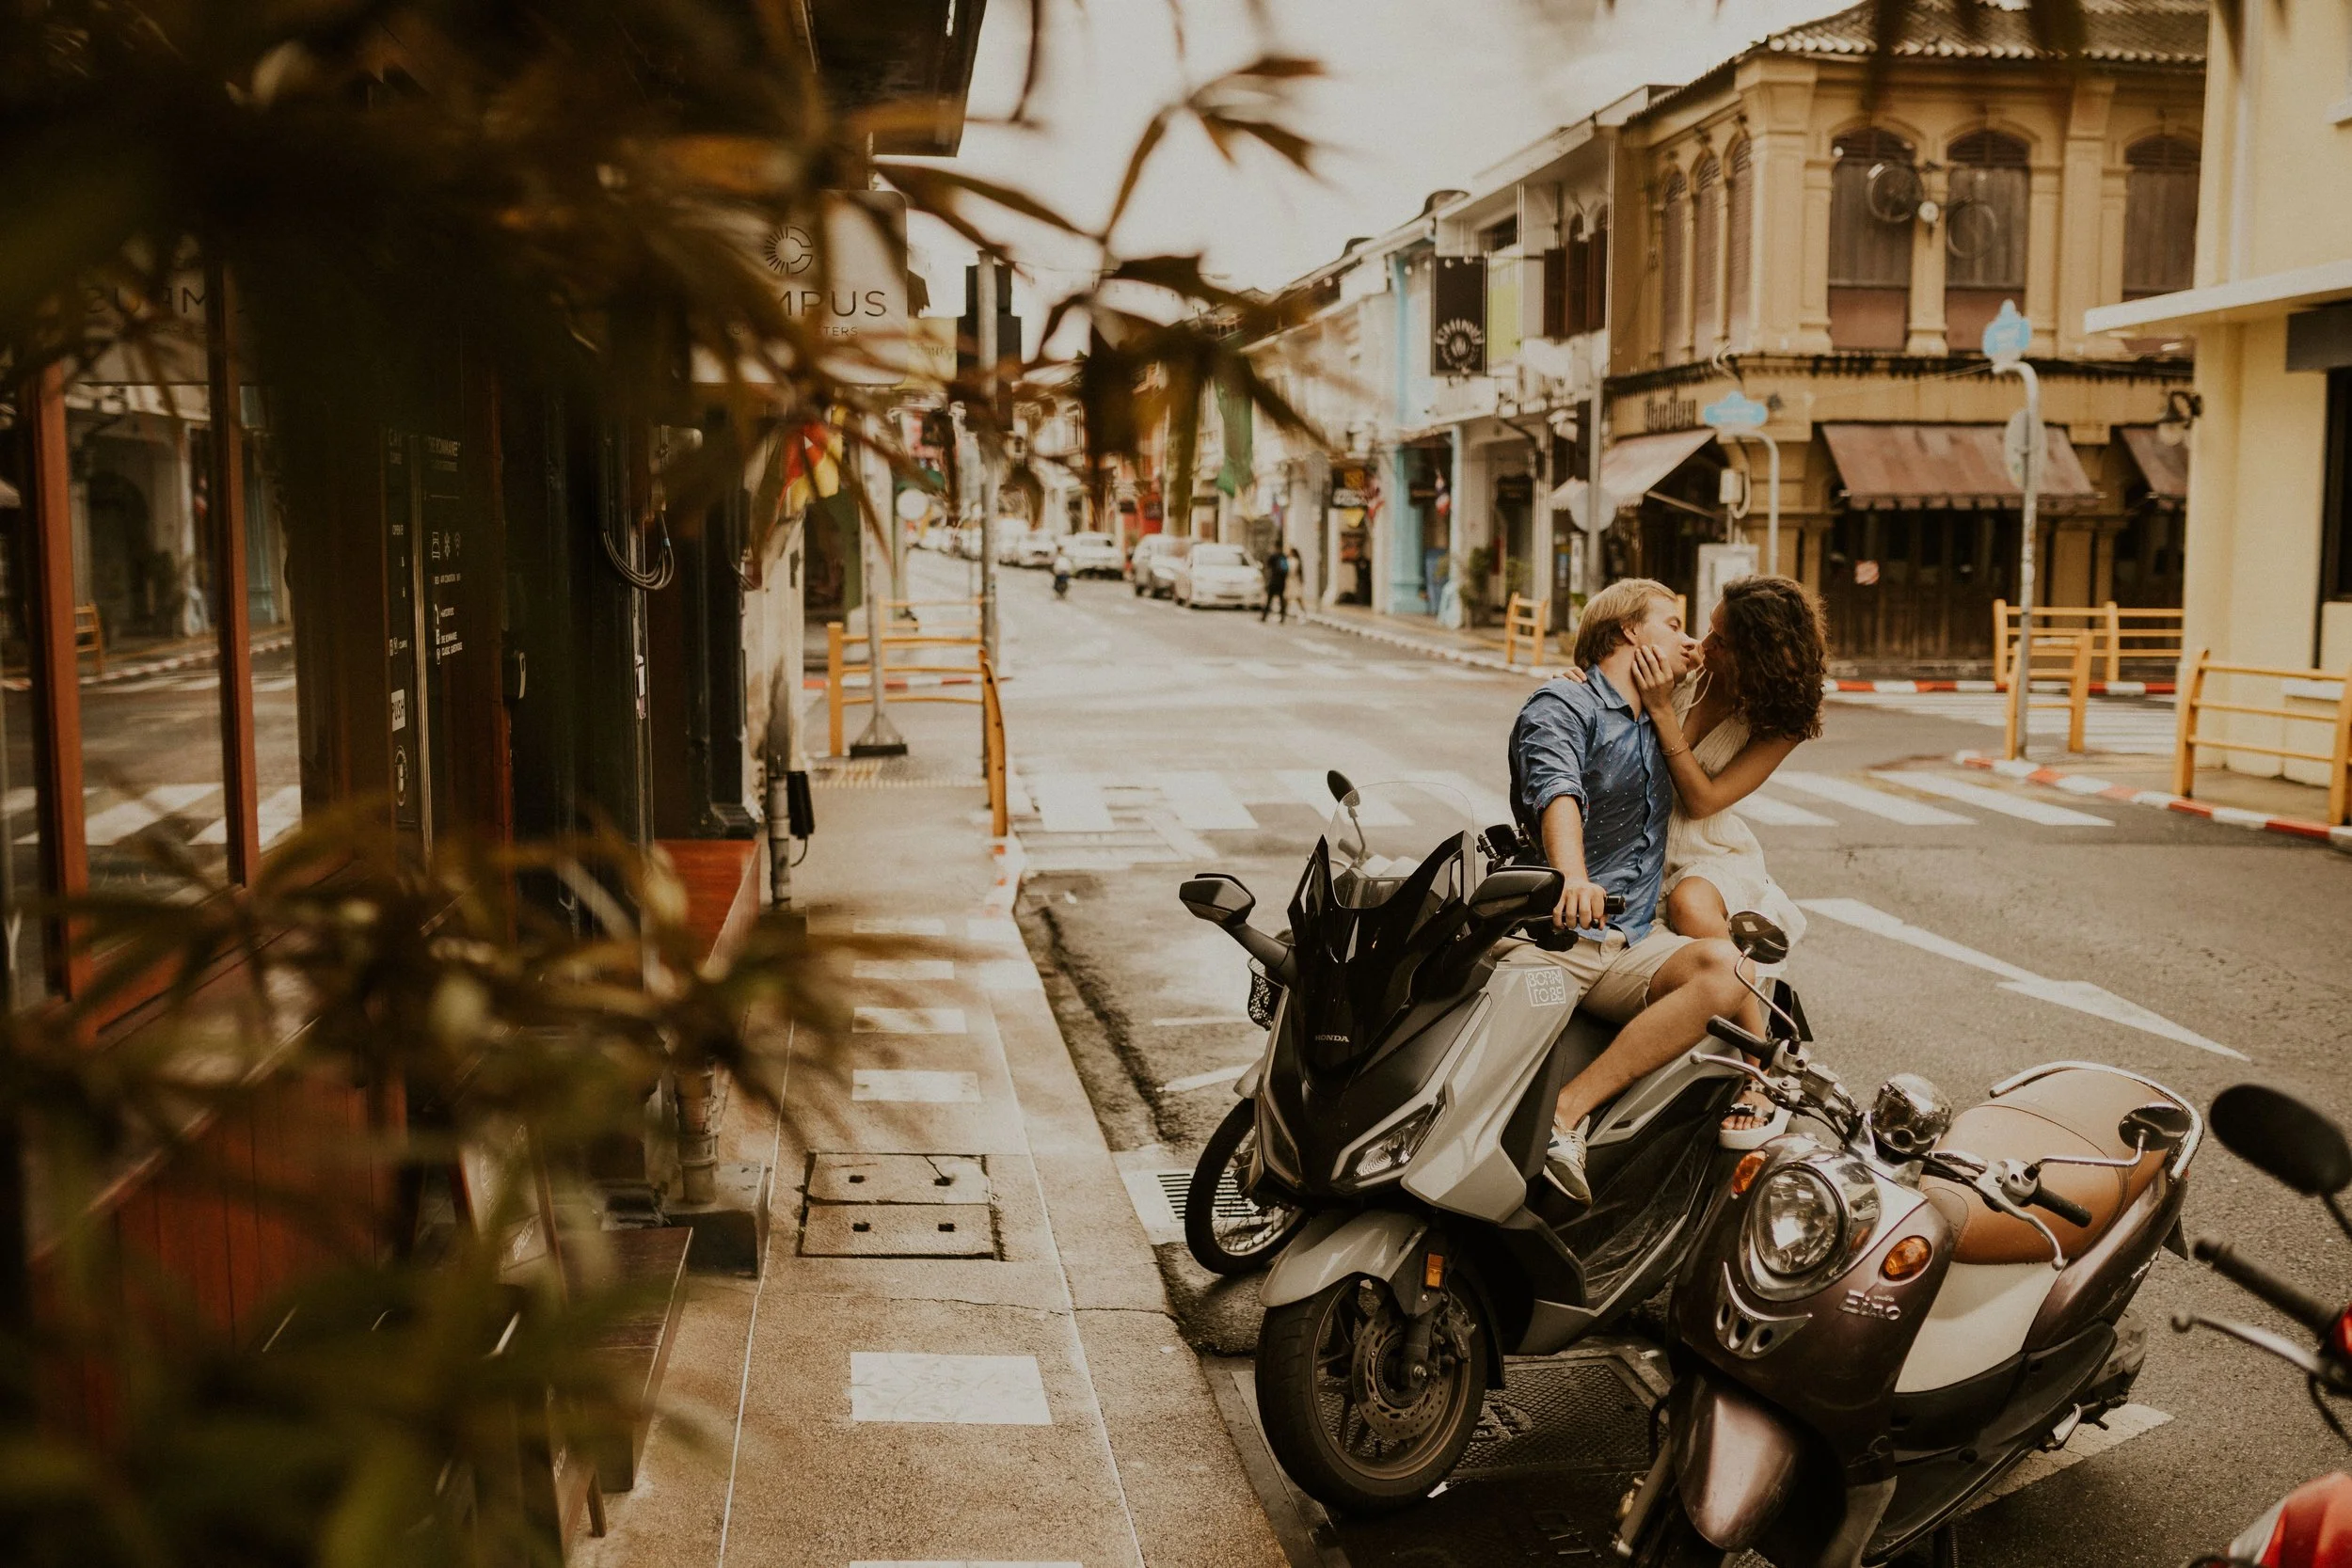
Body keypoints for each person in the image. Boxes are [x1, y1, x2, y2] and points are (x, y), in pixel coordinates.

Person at [1506, 578, 1765, 1204]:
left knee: (1728, 967)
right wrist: (1572, 875)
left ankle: (1569, 1113)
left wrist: (1678, 677)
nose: (1690, 640)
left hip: (1630, 940)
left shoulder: (1663, 709)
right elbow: (1556, 789)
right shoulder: (1563, 706)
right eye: (1673, 623)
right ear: (1628, 631)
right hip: (1557, 939)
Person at [1261, 544, 1292, 622]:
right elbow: (1287, 570)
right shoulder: (1284, 557)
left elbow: (1267, 566)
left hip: (1274, 580)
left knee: (1269, 599)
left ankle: (1264, 617)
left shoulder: (1273, 556)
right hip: (1282, 582)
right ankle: (1282, 617)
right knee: (1281, 599)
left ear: (1275, 547)